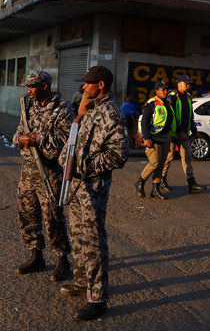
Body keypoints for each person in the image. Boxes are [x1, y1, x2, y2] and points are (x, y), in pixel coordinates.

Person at [58, 65, 128, 322]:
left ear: (101, 85)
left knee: (93, 242)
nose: (83, 86)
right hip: (76, 186)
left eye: (88, 83)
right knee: (76, 235)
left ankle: (97, 299)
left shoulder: (111, 113)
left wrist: (83, 166)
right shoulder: (90, 109)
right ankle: (81, 282)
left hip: (92, 188)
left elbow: (119, 155)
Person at [12, 70, 74, 282]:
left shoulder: (63, 108)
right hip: (28, 171)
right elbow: (16, 135)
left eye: (33, 86)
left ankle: (62, 260)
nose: (29, 90)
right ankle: (35, 255)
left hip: (50, 172)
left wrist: (36, 138)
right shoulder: (28, 106)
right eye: (27, 86)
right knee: (28, 214)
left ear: (45, 86)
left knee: (53, 217)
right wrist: (22, 139)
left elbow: (66, 139)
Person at [161, 74, 207, 194]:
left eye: (189, 84)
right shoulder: (172, 97)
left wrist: (195, 131)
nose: (188, 86)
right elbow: (172, 117)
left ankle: (191, 183)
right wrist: (179, 132)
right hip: (173, 134)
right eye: (185, 83)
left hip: (184, 134)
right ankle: (161, 180)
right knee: (168, 158)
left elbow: (190, 116)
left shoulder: (188, 97)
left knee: (187, 157)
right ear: (178, 84)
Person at [135, 81, 174, 200]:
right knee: (155, 163)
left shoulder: (168, 104)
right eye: (163, 90)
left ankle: (155, 189)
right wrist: (147, 138)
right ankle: (140, 182)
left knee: (161, 165)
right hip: (154, 138)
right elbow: (145, 122)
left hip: (165, 137)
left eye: (166, 89)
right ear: (156, 91)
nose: (166, 92)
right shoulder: (151, 104)